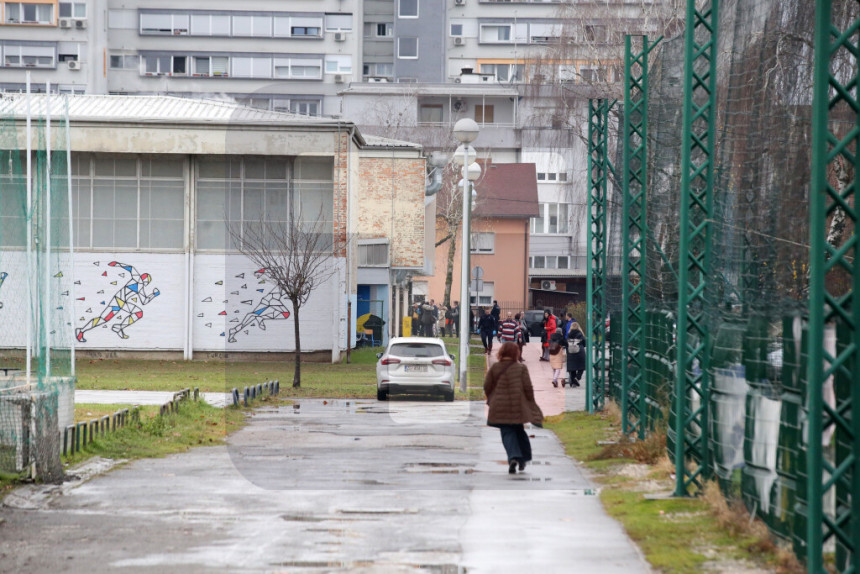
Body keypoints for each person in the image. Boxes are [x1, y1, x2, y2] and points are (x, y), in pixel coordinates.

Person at [484, 342, 544, 474]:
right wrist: (531, 403)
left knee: (507, 432)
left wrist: (491, 398)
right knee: (519, 430)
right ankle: (523, 459)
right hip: (518, 405)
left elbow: (487, 385)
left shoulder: (495, 367)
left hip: (499, 406)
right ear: (516, 353)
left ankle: (513, 457)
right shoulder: (521, 368)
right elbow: (528, 388)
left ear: (502, 353)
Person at [76, 261, 160, 342]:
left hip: (122, 302)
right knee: (103, 319)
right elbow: (131, 269)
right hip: (117, 301)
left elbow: (144, 301)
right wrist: (118, 264)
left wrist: (153, 294)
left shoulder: (139, 284)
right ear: (146, 280)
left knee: (138, 313)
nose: (146, 284)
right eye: (147, 282)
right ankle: (81, 331)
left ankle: (119, 327)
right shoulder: (138, 281)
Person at [566, 321, 586, 388]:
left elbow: (566, 344)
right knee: (581, 366)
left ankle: (573, 381)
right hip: (580, 351)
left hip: (571, 352)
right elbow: (584, 343)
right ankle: (577, 378)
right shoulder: (580, 334)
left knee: (572, 367)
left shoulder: (568, 335)